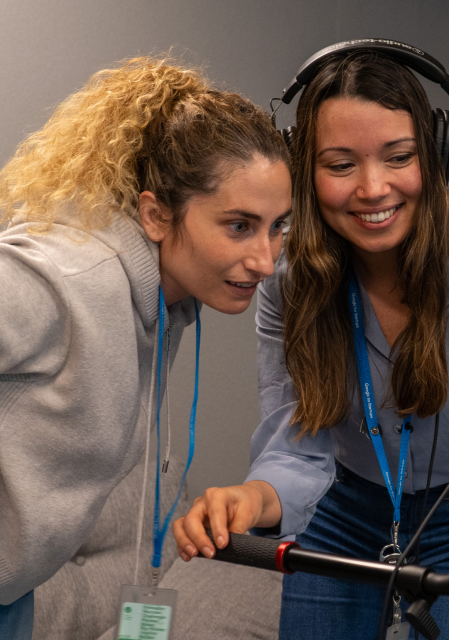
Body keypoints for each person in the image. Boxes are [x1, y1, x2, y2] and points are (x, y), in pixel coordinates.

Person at [173, 45, 449, 639]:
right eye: (340, 165)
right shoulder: (286, 276)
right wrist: (251, 498)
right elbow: (296, 445)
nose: (373, 188)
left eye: (398, 156)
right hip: (339, 505)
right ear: (304, 169)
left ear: (437, 153)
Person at [0, 56, 291, 639]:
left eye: (279, 226)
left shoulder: (160, 303)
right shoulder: (70, 276)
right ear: (156, 214)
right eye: (239, 226)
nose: (266, 259)